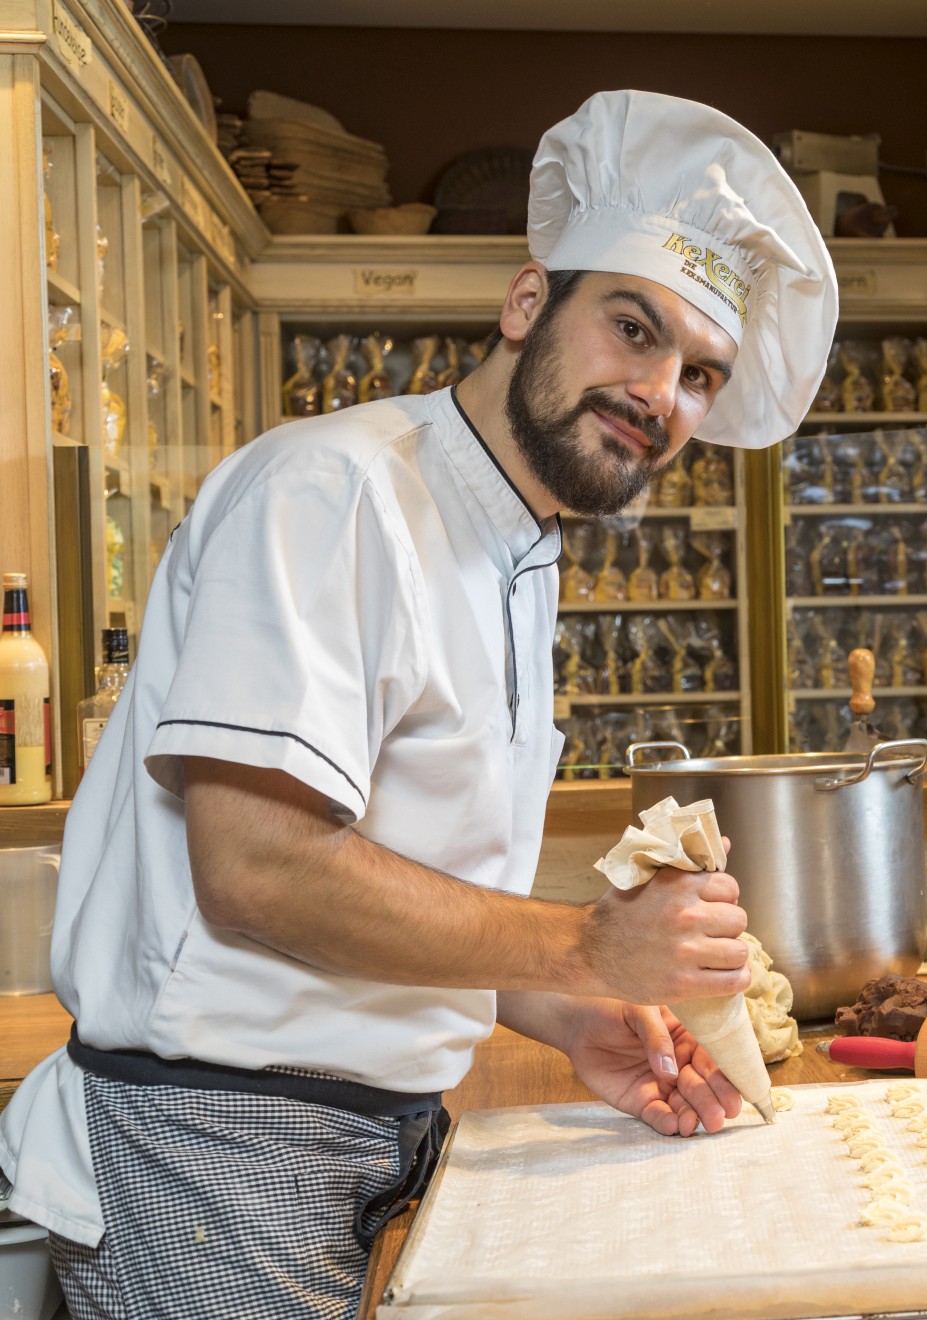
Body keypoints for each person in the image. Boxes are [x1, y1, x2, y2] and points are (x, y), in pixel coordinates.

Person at [0, 90, 835, 1318]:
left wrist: (566, 1009)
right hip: (212, 1147)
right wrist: (588, 945)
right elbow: (259, 870)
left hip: (376, 1133)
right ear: (525, 302)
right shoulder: (332, 492)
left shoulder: (519, 551)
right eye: (632, 327)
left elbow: (392, 884)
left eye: (699, 372)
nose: (660, 391)